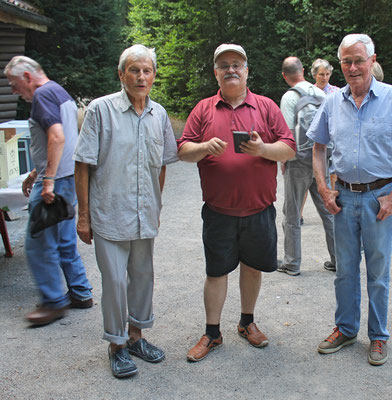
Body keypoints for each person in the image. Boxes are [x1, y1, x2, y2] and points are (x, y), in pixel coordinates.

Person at [308, 34, 392, 366]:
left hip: (379, 199)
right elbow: (318, 147)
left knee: (378, 270)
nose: (353, 68)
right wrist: (324, 189)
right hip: (342, 197)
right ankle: (345, 329)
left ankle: (378, 336)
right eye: (346, 61)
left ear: (372, 60)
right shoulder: (332, 102)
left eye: (359, 60)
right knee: (344, 270)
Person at [177, 44, 295, 362]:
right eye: (224, 65)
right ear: (216, 72)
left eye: (237, 64)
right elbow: (183, 150)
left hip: (258, 208)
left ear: (247, 71)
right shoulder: (203, 109)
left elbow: (289, 148)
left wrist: (263, 150)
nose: (231, 69)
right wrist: (203, 147)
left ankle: (247, 323)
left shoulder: (266, 107)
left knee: (252, 267)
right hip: (219, 211)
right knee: (216, 272)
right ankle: (212, 333)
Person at [74, 44, 178, 378]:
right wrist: (83, 215)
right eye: (134, 70)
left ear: (154, 76)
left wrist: (156, 203)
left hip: (144, 213)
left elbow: (161, 164)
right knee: (115, 282)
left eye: (147, 70)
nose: (141, 76)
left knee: (143, 278)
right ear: (121, 74)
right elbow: (83, 163)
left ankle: (136, 338)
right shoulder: (100, 111)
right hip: (108, 212)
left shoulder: (158, 114)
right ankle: (116, 345)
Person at [4, 56, 93, 326]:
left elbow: (57, 136)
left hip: (56, 182)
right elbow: (60, 138)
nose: (13, 90)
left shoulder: (42, 95)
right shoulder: (58, 91)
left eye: (14, 83)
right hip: (68, 178)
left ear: (28, 77)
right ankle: (80, 292)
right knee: (64, 241)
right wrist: (37, 171)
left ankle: (54, 302)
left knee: (38, 245)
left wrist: (47, 180)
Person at [278, 56, 335, 276]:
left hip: (299, 161)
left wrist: (285, 161)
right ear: (303, 71)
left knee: (291, 213)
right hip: (322, 159)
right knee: (328, 211)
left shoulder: (289, 97)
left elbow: (287, 135)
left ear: (285, 76)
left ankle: (292, 263)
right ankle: (338, 260)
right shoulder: (321, 94)